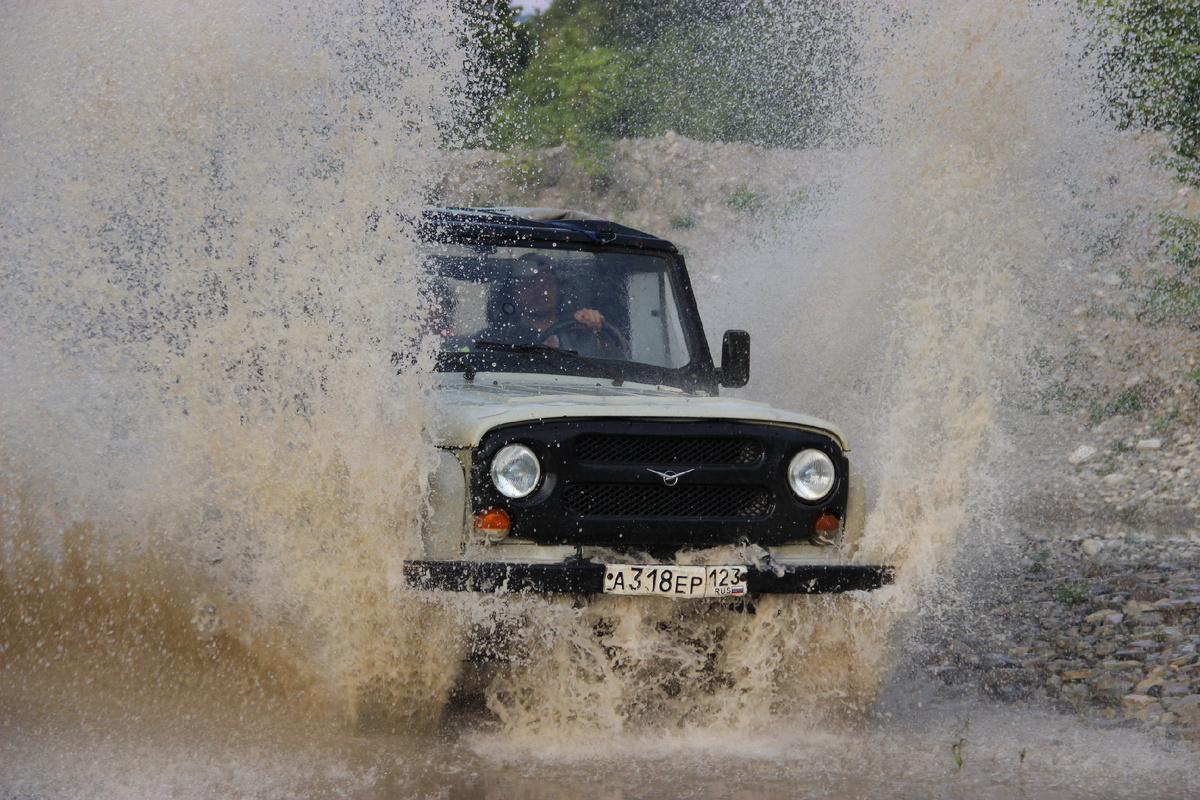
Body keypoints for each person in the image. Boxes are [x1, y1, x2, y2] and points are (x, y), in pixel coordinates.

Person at [481, 253, 627, 357]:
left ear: (559, 290)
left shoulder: (582, 332)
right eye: (529, 285)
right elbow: (465, 348)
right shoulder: (497, 339)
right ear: (514, 293)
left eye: (547, 283)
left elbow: (620, 354)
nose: (541, 291)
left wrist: (600, 326)